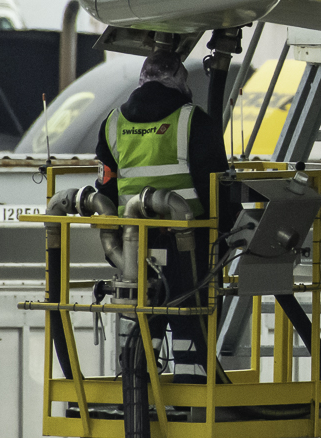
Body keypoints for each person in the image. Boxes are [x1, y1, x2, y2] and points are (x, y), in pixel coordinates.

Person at [96, 46, 231, 307]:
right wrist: (224, 235)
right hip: (191, 242)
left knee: (141, 328)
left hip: (134, 244)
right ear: (179, 79)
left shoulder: (113, 123)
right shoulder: (194, 121)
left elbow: (106, 189)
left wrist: (114, 244)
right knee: (194, 330)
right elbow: (215, 186)